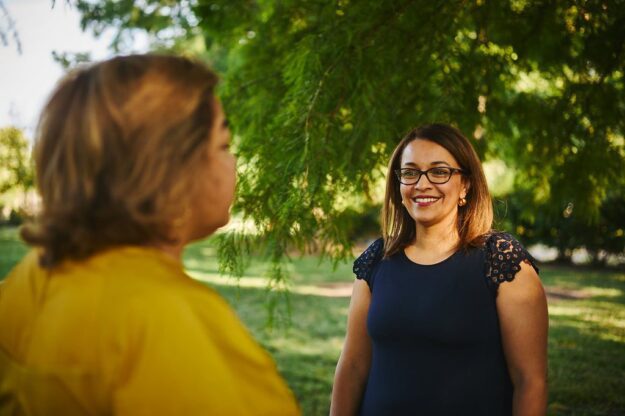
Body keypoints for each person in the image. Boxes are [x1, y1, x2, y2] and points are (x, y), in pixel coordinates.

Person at [0, 54, 300, 415]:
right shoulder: (165, 322)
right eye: (222, 144)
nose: (233, 161)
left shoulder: (28, 280)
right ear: (169, 168)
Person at [330, 124, 548, 415]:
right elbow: (353, 367)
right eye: (410, 172)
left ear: (466, 184)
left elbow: (530, 381)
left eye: (439, 171)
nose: (422, 183)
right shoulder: (377, 259)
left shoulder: (500, 260)